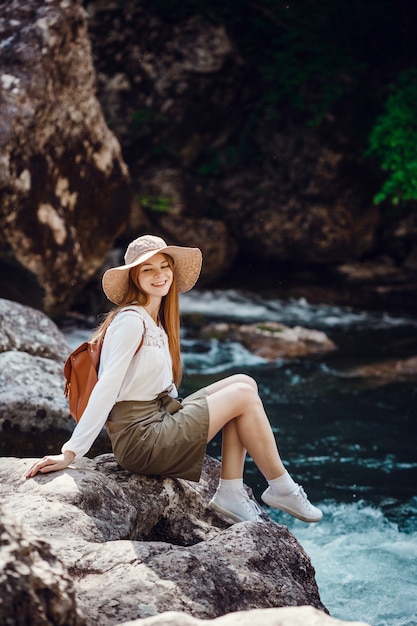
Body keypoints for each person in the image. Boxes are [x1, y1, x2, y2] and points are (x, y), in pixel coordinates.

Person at [26, 234, 322, 524]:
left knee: (244, 383)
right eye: (148, 269)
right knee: (242, 397)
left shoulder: (154, 321)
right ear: (133, 277)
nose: (159, 275)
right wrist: (71, 451)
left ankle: (231, 490)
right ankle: (282, 488)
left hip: (160, 416)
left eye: (164, 266)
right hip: (141, 440)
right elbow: (107, 386)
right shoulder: (130, 321)